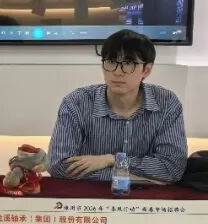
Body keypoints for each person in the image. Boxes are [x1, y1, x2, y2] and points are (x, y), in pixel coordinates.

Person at [48, 29, 187, 183]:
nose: (117, 72)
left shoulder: (167, 103)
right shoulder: (77, 102)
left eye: (128, 63)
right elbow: (59, 165)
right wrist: (131, 178)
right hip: (90, 195)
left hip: (145, 197)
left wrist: (112, 160)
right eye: (111, 62)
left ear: (146, 70)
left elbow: (172, 168)